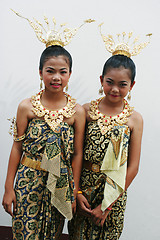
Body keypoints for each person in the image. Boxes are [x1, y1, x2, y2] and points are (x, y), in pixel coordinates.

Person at [2, 11, 86, 239]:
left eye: (62, 72)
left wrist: (74, 190)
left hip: (59, 184)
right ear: (40, 73)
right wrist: (8, 188)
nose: (56, 77)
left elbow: (77, 154)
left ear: (69, 75)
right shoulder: (26, 107)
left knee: (52, 234)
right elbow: (16, 148)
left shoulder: (77, 112)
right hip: (28, 181)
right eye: (50, 71)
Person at [68, 31, 151, 239]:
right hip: (84, 192)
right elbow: (76, 153)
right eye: (110, 82)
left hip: (114, 194)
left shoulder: (135, 119)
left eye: (122, 85)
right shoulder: (85, 111)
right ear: (101, 80)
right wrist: (76, 192)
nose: (115, 89)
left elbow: (133, 167)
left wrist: (107, 204)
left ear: (131, 86)